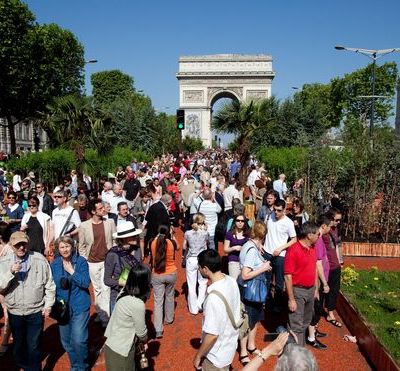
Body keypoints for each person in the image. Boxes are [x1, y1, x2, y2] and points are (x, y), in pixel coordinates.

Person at [0, 231, 55, 370]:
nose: (21, 248)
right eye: (17, 245)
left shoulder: (40, 259)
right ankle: (22, 364)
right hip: (15, 311)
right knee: (19, 343)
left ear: (28, 244)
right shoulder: (5, 261)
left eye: (23, 244)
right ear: (12, 246)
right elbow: (1, 287)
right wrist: (10, 272)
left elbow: (49, 284)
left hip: (35, 310)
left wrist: (48, 305)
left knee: (34, 344)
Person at [194, 249, 241, 370]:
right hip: (230, 346)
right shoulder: (231, 280)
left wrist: (199, 356)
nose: (199, 270)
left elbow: (212, 335)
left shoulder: (213, 298)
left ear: (205, 269)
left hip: (216, 356)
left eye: (199, 267)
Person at [51, 236, 91, 370]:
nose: (65, 249)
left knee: (79, 340)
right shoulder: (55, 264)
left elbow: (85, 282)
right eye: (62, 247)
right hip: (63, 307)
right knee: (67, 342)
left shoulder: (80, 262)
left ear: (72, 247)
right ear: (58, 249)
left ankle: (83, 366)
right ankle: (76, 366)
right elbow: (52, 285)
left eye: (67, 246)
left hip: (79, 305)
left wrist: (72, 272)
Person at [238, 221, 272, 366]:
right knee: (247, 321)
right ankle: (243, 352)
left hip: (254, 291)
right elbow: (245, 274)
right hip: (250, 290)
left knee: (255, 319)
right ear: (263, 235)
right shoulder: (252, 249)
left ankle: (251, 346)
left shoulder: (252, 245)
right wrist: (263, 268)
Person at [104, 265, 150, 371]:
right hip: (122, 352)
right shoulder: (138, 304)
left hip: (111, 346)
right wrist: (145, 340)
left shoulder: (123, 292)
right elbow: (141, 332)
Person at [79, 199, 116, 327]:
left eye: (103, 208)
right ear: (93, 211)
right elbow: (82, 245)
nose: (103, 210)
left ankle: (106, 318)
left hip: (107, 261)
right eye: (100, 209)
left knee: (106, 288)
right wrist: (85, 259)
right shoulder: (84, 226)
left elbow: (114, 240)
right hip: (92, 263)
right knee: (97, 289)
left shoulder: (110, 222)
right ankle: (101, 313)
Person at [284, 222, 319, 346]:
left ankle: (298, 348)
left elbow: (314, 268)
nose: (318, 236)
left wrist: (316, 289)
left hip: (310, 290)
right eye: (317, 234)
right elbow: (288, 277)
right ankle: (297, 355)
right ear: (309, 235)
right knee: (296, 325)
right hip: (297, 291)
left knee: (306, 321)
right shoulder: (293, 250)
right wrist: (291, 299)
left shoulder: (313, 248)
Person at [263, 199, 297, 311]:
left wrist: (281, 248)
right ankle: (265, 302)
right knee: (265, 279)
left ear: (284, 210)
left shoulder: (288, 223)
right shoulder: (269, 216)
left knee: (279, 282)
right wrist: (260, 245)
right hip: (267, 253)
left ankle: (277, 304)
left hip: (280, 255)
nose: (276, 213)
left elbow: (294, 239)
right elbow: (264, 231)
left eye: (279, 211)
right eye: (275, 210)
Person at [104, 221, 142, 313]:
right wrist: (124, 283)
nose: (136, 237)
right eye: (132, 236)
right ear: (123, 238)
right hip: (119, 298)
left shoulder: (137, 250)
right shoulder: (112, 254)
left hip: (135, 296)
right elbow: (107, 280)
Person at [307, 215, 331, 350]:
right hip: (317, 281)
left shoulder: (319, 240)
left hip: (319, 281)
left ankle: (314, 331)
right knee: (315, 308)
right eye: (330, 226)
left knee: (317, 307)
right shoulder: (318, 241)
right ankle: (311, 337)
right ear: (323, 226)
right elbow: (318, 264)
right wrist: (323, 283)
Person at [150, 224, 178, 338]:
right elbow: (179, 247)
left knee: (158, 301)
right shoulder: (171, 243)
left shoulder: (153, 243)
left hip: (157, 274)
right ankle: (169, 318)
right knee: (170, 296)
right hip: (171, 273)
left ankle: (158, 329)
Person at [182, 213, 209, 315]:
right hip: (202, 259)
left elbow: (184, 247)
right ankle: (200, 304)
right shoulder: (205, 233)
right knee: (203, 283)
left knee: (191, 285)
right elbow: (208, 243)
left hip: (191, 260)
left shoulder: (188, 233)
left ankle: (193, 309)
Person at [324, 208, 343, 328]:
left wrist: (341, 261)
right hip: (326, 266)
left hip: (335, 265)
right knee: (323, 290)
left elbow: (339, 245)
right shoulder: (324, 230)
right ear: (330, 219)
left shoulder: (336, 230)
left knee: (334, 290)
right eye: (336, 220)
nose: (338, 222)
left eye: (339, 220)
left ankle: (330, 313)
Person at [224, 212, 250, 279]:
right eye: (238, 220)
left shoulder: (248, 234)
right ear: (235, 222)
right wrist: (234, 248)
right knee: (234, 282)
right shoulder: (229, 234)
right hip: (234, 261)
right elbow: (225, 250)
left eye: (242, 221)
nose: (240, 222)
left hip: (245, 262)